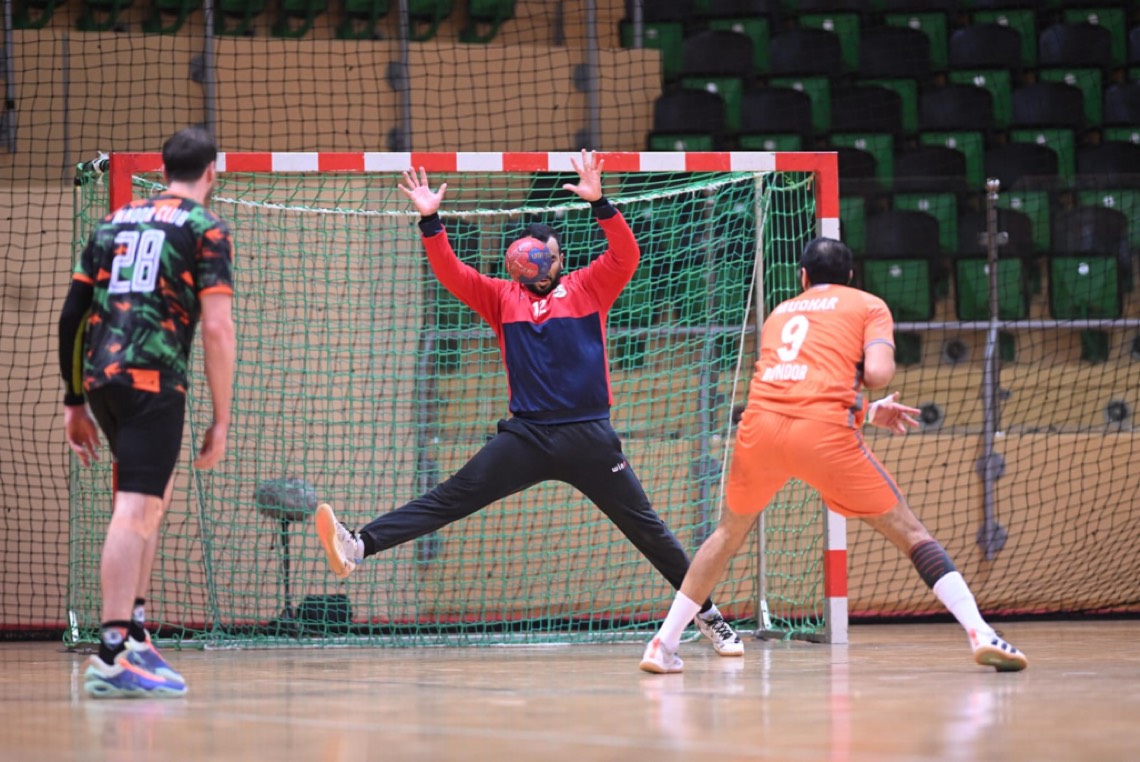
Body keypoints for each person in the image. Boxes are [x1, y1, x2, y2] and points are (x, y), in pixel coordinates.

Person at [315, 150, 742, 655]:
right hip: (528, 436)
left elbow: (626, 255)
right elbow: (452, 273)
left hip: (589, 435)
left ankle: (709, 617)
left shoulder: (588, 287)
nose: (545, 262)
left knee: (647, 529)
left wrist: (600, 203)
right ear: (524, 261)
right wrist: (430, 220)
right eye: (537, 256)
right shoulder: (504, 297)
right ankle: (358, 546)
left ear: (555, 260)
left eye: (550, 255)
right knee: (450, 497)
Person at [639, 237, 1028, 674]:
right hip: (822, 434)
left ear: (803, 277)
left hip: (759, 428)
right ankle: (980, 632)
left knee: (726, 535)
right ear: (850, 277)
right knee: (912, 533)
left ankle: (663, 644)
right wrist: (865, 390)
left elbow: (797, 384)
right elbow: (877, 373)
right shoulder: (868, 305)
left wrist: (865, 410)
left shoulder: (780, 312)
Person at [58, 125, 236, 697]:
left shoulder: (113, 221)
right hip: (152, 380)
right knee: (135, 510)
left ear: (161, 172)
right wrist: (222, 419)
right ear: (211, 172)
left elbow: (72, 315)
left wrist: (74, 400)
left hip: (101, 378)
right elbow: (217, 328)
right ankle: (112, 652)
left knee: (151, 502)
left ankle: (134, 633)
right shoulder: (206, 228)